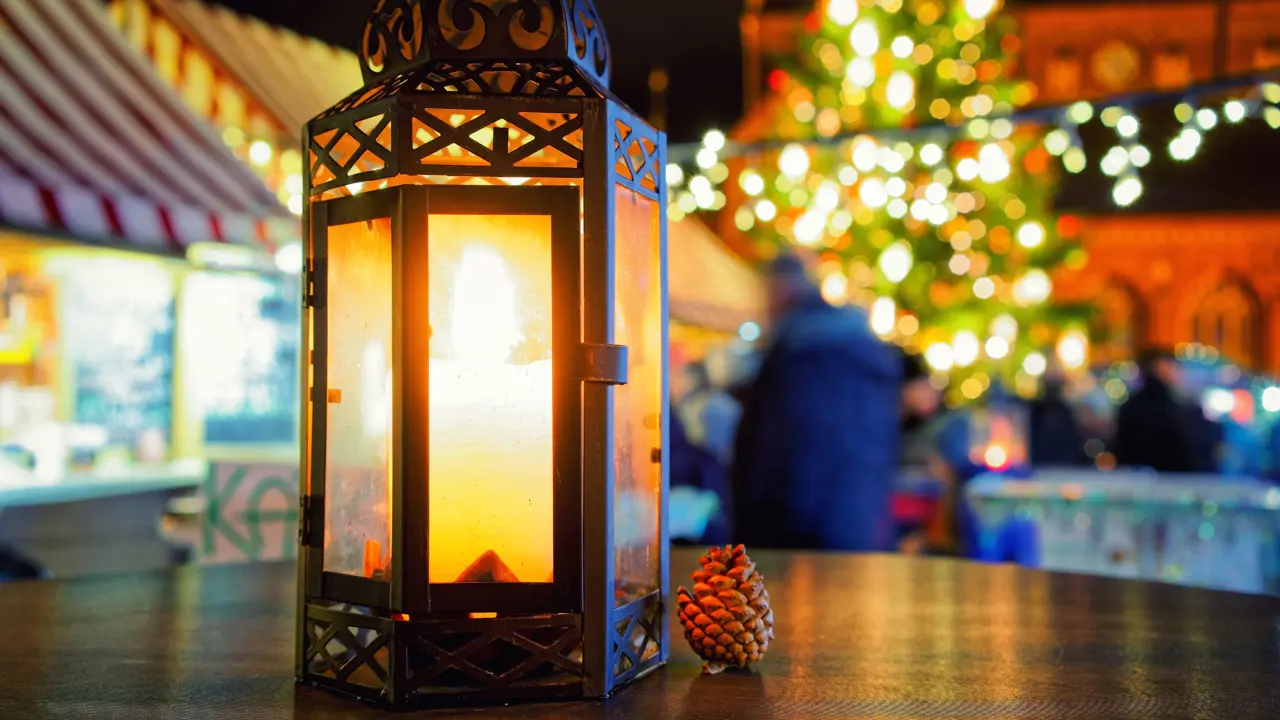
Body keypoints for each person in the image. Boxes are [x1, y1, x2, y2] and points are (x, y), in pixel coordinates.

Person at [730, 252, 901, 551]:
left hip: (791, 522)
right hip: (858, 519)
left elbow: (764, 447)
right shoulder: (865, 355)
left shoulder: (794, 353)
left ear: (780, 288)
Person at [1113, 348, 1196, 472]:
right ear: (1159, 367)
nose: (1176, 371)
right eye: (1171, 365)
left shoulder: (1133, 404)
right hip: (1167, 476)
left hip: (1136, 475)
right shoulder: (1166, 406)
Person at [1028, 362, 1086, 467]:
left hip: (1064, 466)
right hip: (1039, 466)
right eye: (1050, 386)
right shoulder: (1036, 411)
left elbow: (1072, 441)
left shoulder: (1066, 412)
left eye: (1054, 386)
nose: (1052, 391)